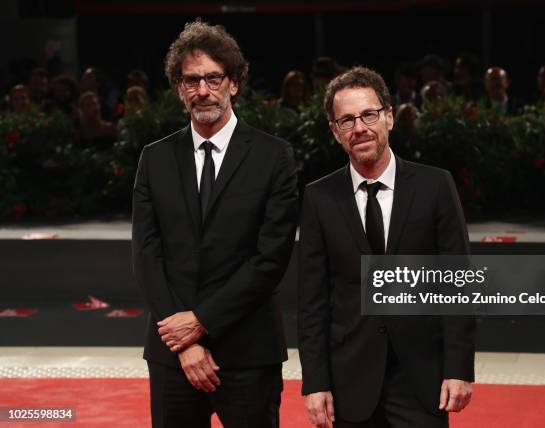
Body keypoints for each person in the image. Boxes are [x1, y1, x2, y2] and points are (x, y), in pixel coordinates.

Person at [132, 19, 298, 428]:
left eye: (213, 77)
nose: (202, 90)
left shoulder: (274, 157)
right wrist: (184, 343)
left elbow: (270, 259)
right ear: (178, 89)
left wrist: (200, 323)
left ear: (234, 83)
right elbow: (147, 255)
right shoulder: (154, 159)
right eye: (191, 81)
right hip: (173, 356)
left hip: (248, 353)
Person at [298, 67, 475, 427]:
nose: (359, 127)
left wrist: (459, 368)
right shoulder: (319, 198)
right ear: (335, 132)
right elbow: (312, 302)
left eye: (368, 114)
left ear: (389, 117)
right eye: (346, 120)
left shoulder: (435, 185)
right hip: (349, 380)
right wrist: (315, 383)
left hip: (421, 378)